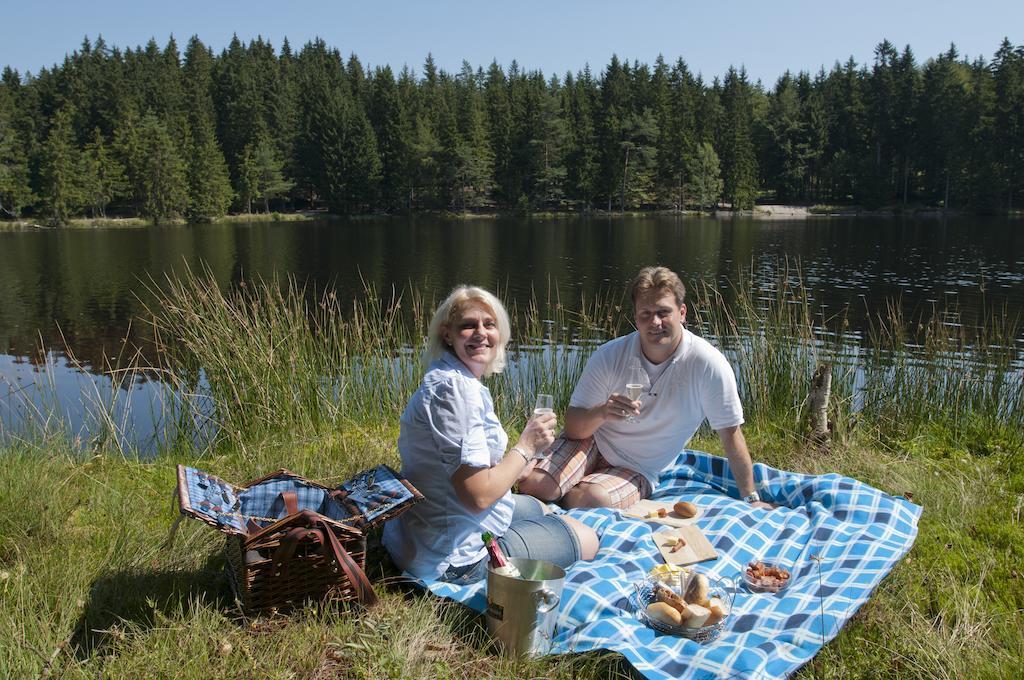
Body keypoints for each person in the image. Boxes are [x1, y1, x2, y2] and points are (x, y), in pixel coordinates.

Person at [382, 285, 599, 584]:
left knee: (539, 508)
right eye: (468, 325)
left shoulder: (448, 376)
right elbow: (478, 496)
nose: (481, 333)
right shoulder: (457, 392)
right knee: (589, 539)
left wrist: (525, 456)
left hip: (419, 535)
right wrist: (526, 446)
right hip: (453, 557)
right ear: (448, 334)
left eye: (489, 324)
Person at [518, 266, 775, 511]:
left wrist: (750, 497)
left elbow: (730, 434)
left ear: (682, 313)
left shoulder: (707, 364)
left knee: (592, 500)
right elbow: (574, 427)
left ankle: (565, 487)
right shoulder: (610, 355)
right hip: (592, 440)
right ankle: (547, 480)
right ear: (636, 318)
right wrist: (602, 412)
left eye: (663, 312)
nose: (655, 322)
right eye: (646, 314)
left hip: (638, 468)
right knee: (534, 486)